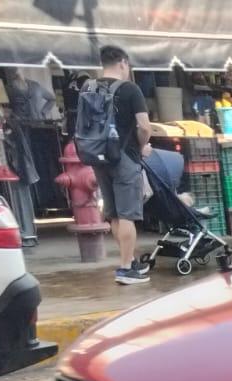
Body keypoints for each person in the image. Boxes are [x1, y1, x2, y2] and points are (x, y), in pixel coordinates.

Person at [89, 45, 151, 285]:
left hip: (98, 156)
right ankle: (126, 268)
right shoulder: (130, 89)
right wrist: (141, 145)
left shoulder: (89, 87)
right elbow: (144, 126)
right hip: (124, 156)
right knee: (128, 214)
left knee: (114, 213)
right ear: (123, 63)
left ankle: (129, 260)